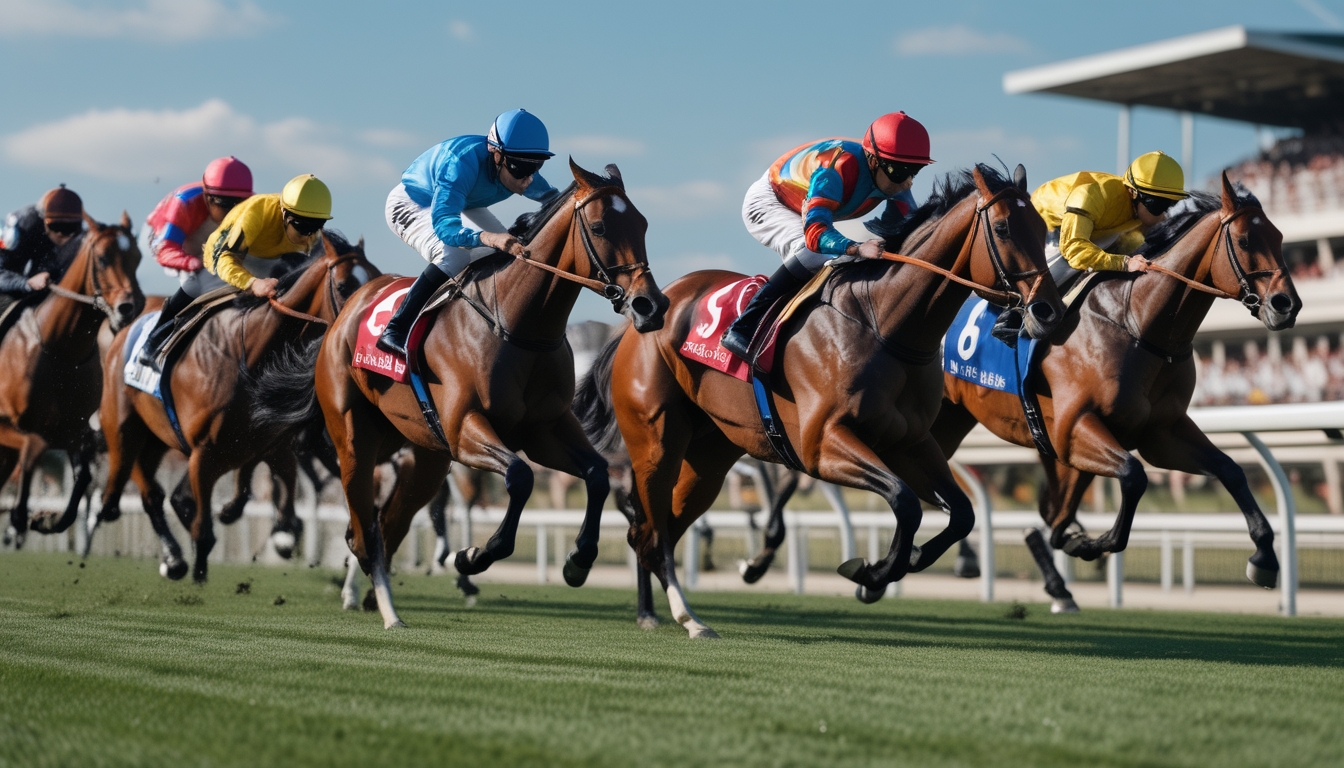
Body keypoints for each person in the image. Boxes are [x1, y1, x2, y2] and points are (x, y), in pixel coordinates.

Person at [720, 112, 933, 359]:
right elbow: (815, 235)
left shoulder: (892, 177)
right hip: (771, 202)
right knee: (811, 254)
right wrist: (856, 248)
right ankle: (743, 326)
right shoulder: (837, 168)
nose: (907, 183)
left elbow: (913, 234)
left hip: (808, 206)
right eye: (900, 171)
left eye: (914, 171)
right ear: (874, 161)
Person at [378, 108, 559, 356]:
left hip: (465, 202)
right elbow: (445, 227)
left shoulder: (521, 169)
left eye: (536, 166)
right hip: (413, 202)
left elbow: (560, 202)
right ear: (497, 155)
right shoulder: (459, 165)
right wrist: (487, 237)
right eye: (519, 168)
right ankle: (396, 328)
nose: (528, 179)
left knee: (511, 253)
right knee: (455, 255)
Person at [137, 173, 332, 366]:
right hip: (227, 255)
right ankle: (155, 339)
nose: (308, 234)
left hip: (271, 260)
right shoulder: (256, 212)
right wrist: (252, 283)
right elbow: (224, 257)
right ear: (284, 212)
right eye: (301, 226)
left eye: (316, 226)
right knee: (194, 286)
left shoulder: (309, 231)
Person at [136, 157, 253, 363]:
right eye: (224, 204)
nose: (231, 212)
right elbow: (165, 250)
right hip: (170, 238)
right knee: (196, 282)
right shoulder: (184, 203)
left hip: (209, 240)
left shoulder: (255, 207)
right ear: (208, 196)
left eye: (239, 204)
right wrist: (190, 262)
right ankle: (153, 342)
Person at [1031, 150, 1189, 291]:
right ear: (1133, 193)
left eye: (1172, 203)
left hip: (1097, 227)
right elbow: (1074, 249)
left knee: (1128, 242)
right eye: (1160, 204)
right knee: (1049, 280)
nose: (1165, 212)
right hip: (1046, 224)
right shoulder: (1092, 195)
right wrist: (1125, 263)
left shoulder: (1138, 208)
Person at [0, 184, 86, 300]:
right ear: (43, 221)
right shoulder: (22, 226)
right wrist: (27, 283)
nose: (60, 234)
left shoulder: (80, 239)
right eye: (56, 226)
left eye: (70, 228)